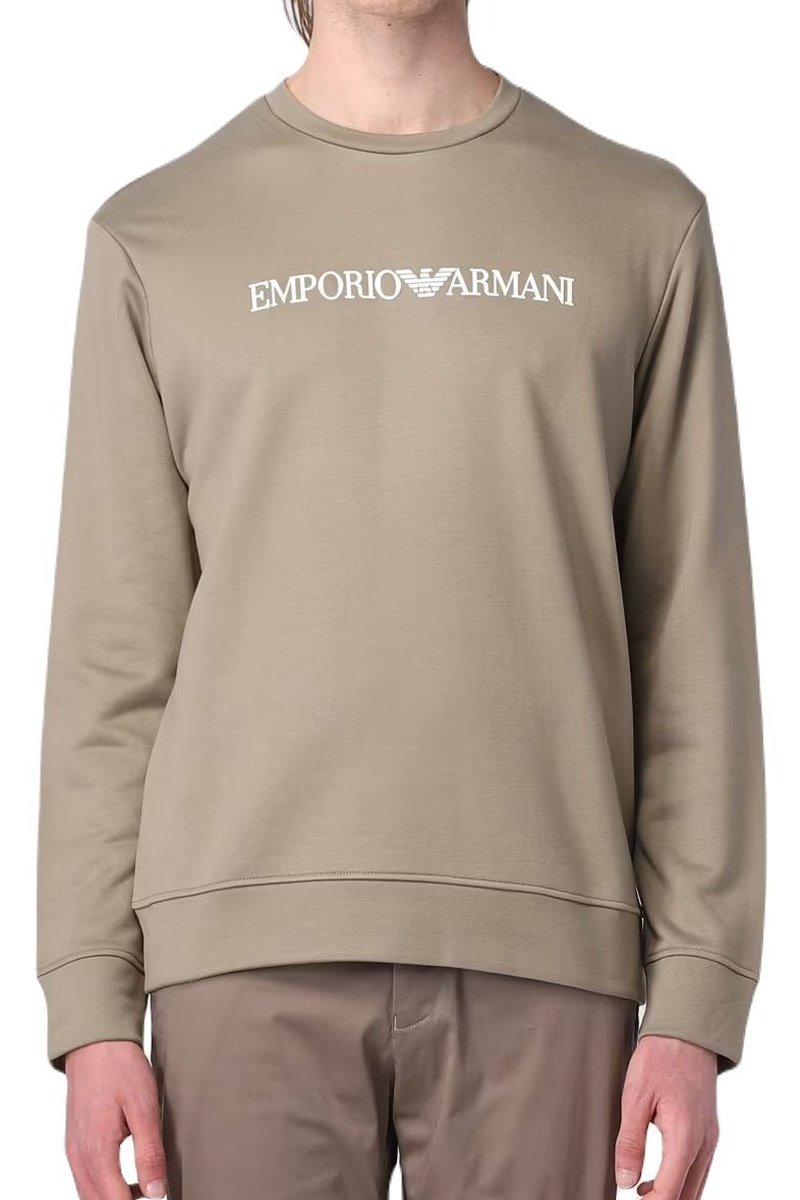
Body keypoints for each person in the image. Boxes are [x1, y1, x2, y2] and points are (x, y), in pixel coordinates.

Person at [37, 2, 765, 1198]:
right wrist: (90, 1001)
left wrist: (695, 996)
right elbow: (112, 659)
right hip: (238, 947)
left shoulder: (640, 222)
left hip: (549, 947)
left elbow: (692, 643)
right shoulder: (154, 235)